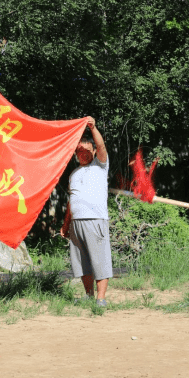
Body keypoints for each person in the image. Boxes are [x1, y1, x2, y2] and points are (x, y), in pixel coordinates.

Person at [61, 117, 112, 307]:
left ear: (93, 151)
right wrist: (66, 225)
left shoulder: (100, 166)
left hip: (95, 220)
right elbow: (71, 201)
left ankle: (101, 298)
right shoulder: (74, 174)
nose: (82, 153)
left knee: (100, 259)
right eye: (79, 151)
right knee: (82, 262)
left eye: (86, 150)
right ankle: (89, 294)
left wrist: (93, 127)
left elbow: (101, 146)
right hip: (77, 223)